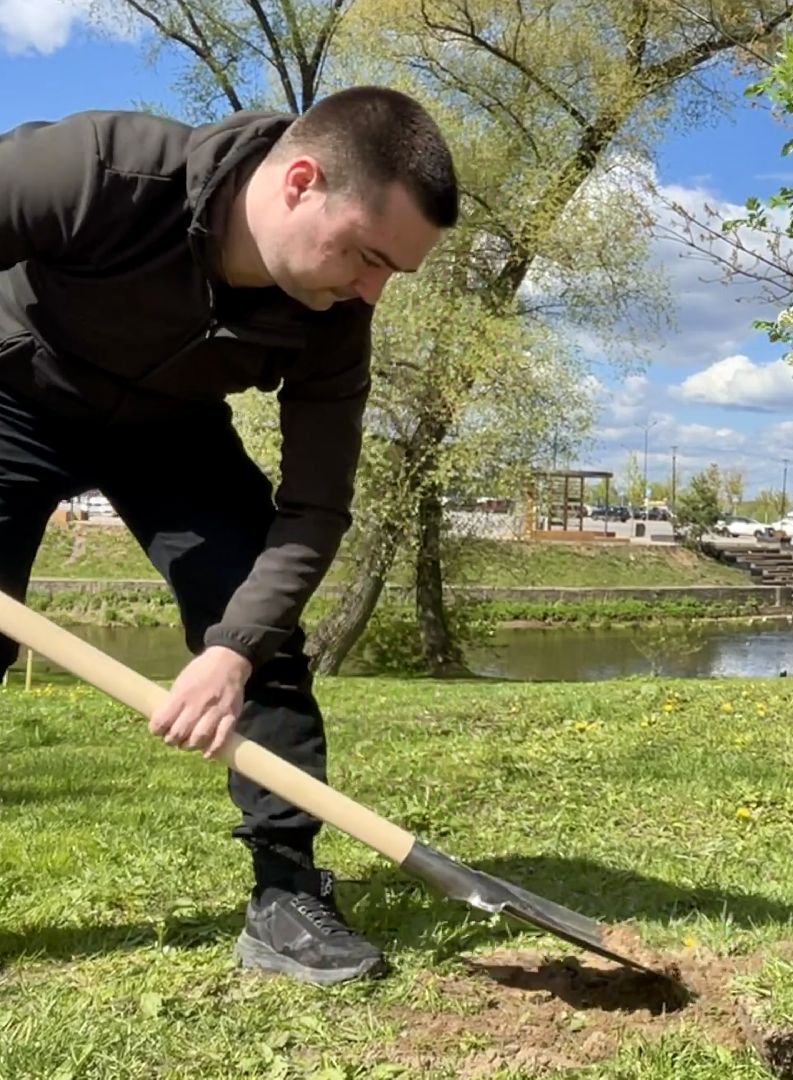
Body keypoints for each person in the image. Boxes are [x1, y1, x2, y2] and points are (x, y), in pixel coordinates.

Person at [0, 86, 459, 985]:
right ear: (300, 182)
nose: (370, 292)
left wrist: (235, 651)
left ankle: (285, 895)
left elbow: (316, 508)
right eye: (368, 256)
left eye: (390, 275)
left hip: (172, 432)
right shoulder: (100, 171)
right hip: (15, 392)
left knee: (264, 631)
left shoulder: (335, 320)